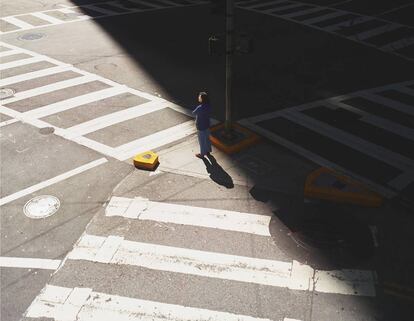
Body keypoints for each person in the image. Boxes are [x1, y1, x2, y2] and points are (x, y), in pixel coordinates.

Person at [192, 92, 212, 159]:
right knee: (207, 139)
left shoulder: (199, 107)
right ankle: (208, 151)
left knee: (202, 141)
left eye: (199, 97)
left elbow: (193, 113)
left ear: (202, 99)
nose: (198, 98)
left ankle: (202, 154)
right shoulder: (208, 105)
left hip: (200, 126)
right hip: (207, 124)